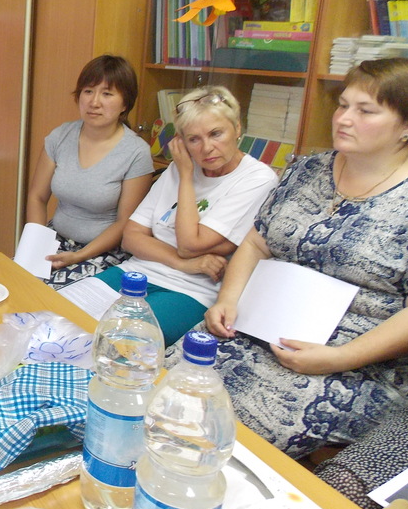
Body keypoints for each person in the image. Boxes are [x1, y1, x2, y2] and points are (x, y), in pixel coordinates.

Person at [204, 59, 408, 465]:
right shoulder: (307, 168)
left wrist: (339, 357)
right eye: (343, 105)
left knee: (233, 434)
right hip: (254, 327)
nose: (344, 119)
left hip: (353, 361)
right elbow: (257, 242)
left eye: (365, 111)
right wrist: (227, 299)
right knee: (170, 383)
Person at [82, 86, 278, 344]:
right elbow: (131, 237)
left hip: (191, 291)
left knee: (116, 342)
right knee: (55, 313)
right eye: (194, 139)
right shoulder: (177, 167)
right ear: (182, 142)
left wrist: (186, 177)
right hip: (137, 271)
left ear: (237, 128)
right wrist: (185, 262)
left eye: (216, 133)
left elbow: (189, 244)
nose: (207, 148)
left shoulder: (257, 178)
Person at [24, 54, 154, 290]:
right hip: (56, 240)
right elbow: (37, 196)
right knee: (14, 284)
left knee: (51, 298)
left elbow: (125, 223)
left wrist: (79, 256)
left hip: (103, 253)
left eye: (107, 94)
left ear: (125, 103)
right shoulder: (60, 136)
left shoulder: (136, 152)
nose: (94, 102)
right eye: (88, 91)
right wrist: (36, 245)